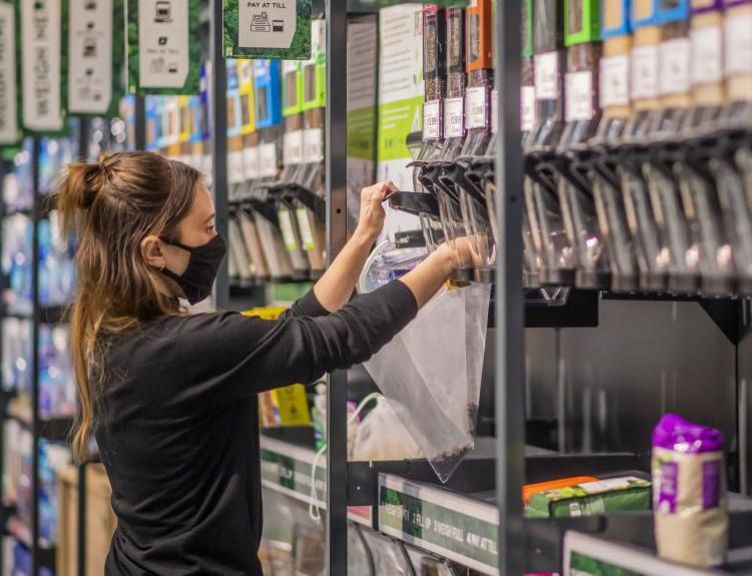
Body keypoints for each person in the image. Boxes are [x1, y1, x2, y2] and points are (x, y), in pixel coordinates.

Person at [56, 151, 459, 574]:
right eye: (206, 228)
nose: (216, 242)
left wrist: (363, 239)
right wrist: (446, 258)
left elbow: (291, 327)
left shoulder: (117, 335)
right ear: (155, 250)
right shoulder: (182, 348)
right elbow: (341, 338)